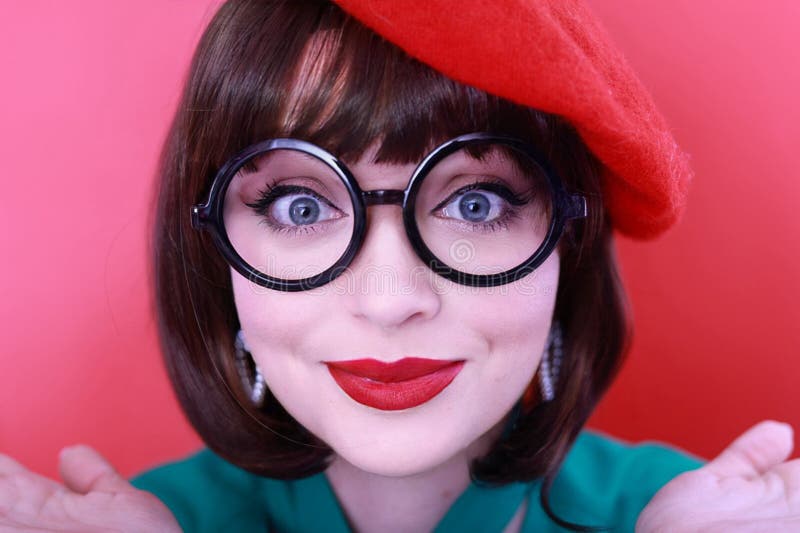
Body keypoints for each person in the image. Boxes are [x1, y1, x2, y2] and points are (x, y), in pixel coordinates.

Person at [1, 1, 798, 531]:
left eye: (476, 202)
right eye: (301, 206)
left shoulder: (693, 516)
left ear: (567, 245)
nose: (389, 300)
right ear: (217, 256)